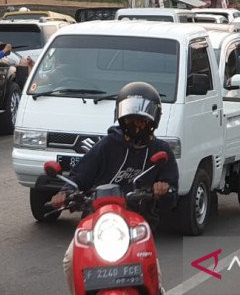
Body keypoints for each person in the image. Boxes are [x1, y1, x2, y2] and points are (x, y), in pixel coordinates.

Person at [50, 82, 178, 295]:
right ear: (120, 116)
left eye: (141, 119)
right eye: (130, 118)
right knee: (71, 259)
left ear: (153, 119)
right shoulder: (107, 145)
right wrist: (64, 193)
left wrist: (164, 189)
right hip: (98, 221)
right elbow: (80, 175)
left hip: (137, 223)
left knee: (151, 270)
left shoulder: (161, 151)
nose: (136, 124)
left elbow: (171, 193)